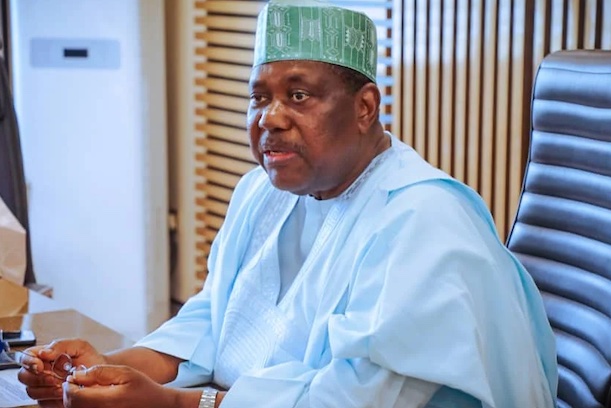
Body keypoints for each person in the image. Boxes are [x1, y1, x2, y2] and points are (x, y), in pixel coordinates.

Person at [18, 1, 558, 407]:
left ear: (365, 107)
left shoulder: (423, 221)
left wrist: (176, 404)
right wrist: (107, 369)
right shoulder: (263, 190)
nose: (269, 118)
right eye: (259, 97)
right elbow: (218, 315)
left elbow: (356, 398)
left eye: (299, 96)